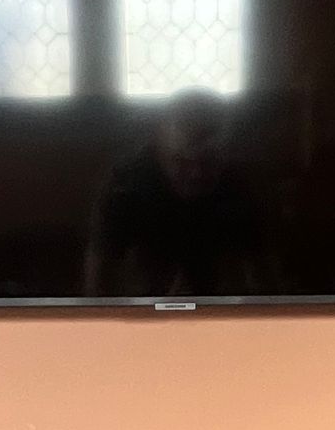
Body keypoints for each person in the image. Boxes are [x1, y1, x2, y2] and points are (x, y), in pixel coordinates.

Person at [84, 92, 274, 297]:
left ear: (226, 152)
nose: (196, 173)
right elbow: (98, 281)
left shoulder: (241, 185)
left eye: (209, 161)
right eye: (181, 161)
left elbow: (263, 275)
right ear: (159, 152)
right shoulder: (125, 187)